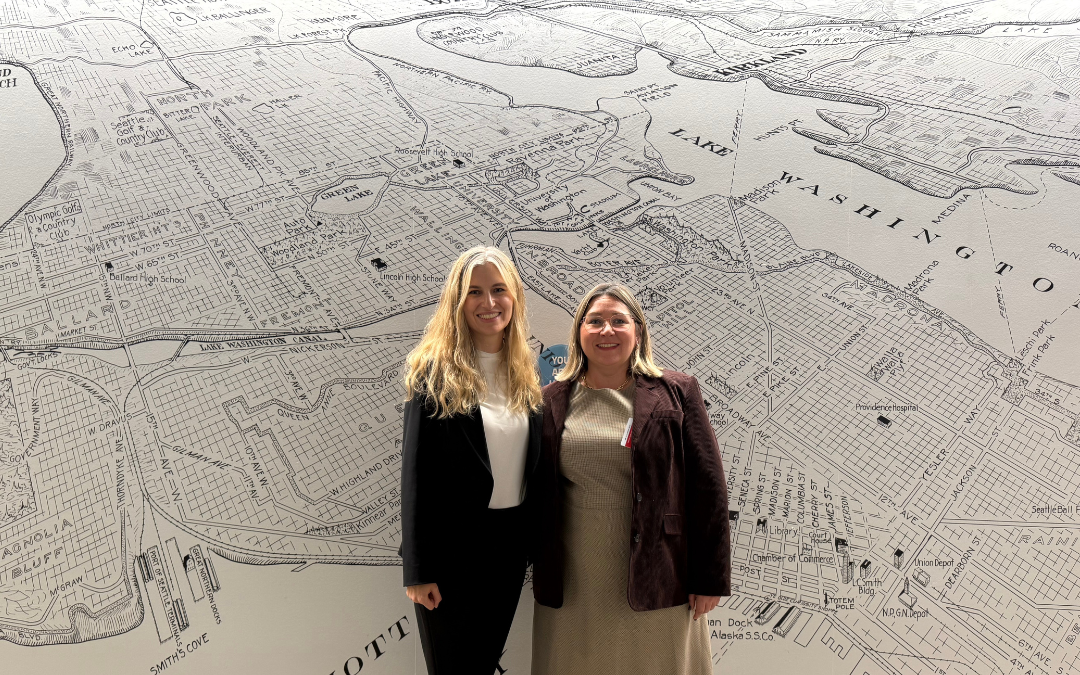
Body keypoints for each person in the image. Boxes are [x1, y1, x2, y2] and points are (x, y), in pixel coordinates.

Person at [529, 282, 731, 675]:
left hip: (660, 570)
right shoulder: (548, 400)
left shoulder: (677, 392)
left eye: (619, 321)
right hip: (574, 576)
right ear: (579, 332)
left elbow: (709, 489)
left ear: (637, 331)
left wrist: (710, 578)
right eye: (596, 321)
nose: (607, 330)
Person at [399, 246, 543, 674]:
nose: (488, 302)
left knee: (482, 665)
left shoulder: (525, 374)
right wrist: (418, 570)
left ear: (514, 298)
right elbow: (415, 475)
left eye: (499, 290)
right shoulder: (433, 373)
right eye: (474, 291)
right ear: (457, 301)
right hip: (449, 558)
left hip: (508, 552)